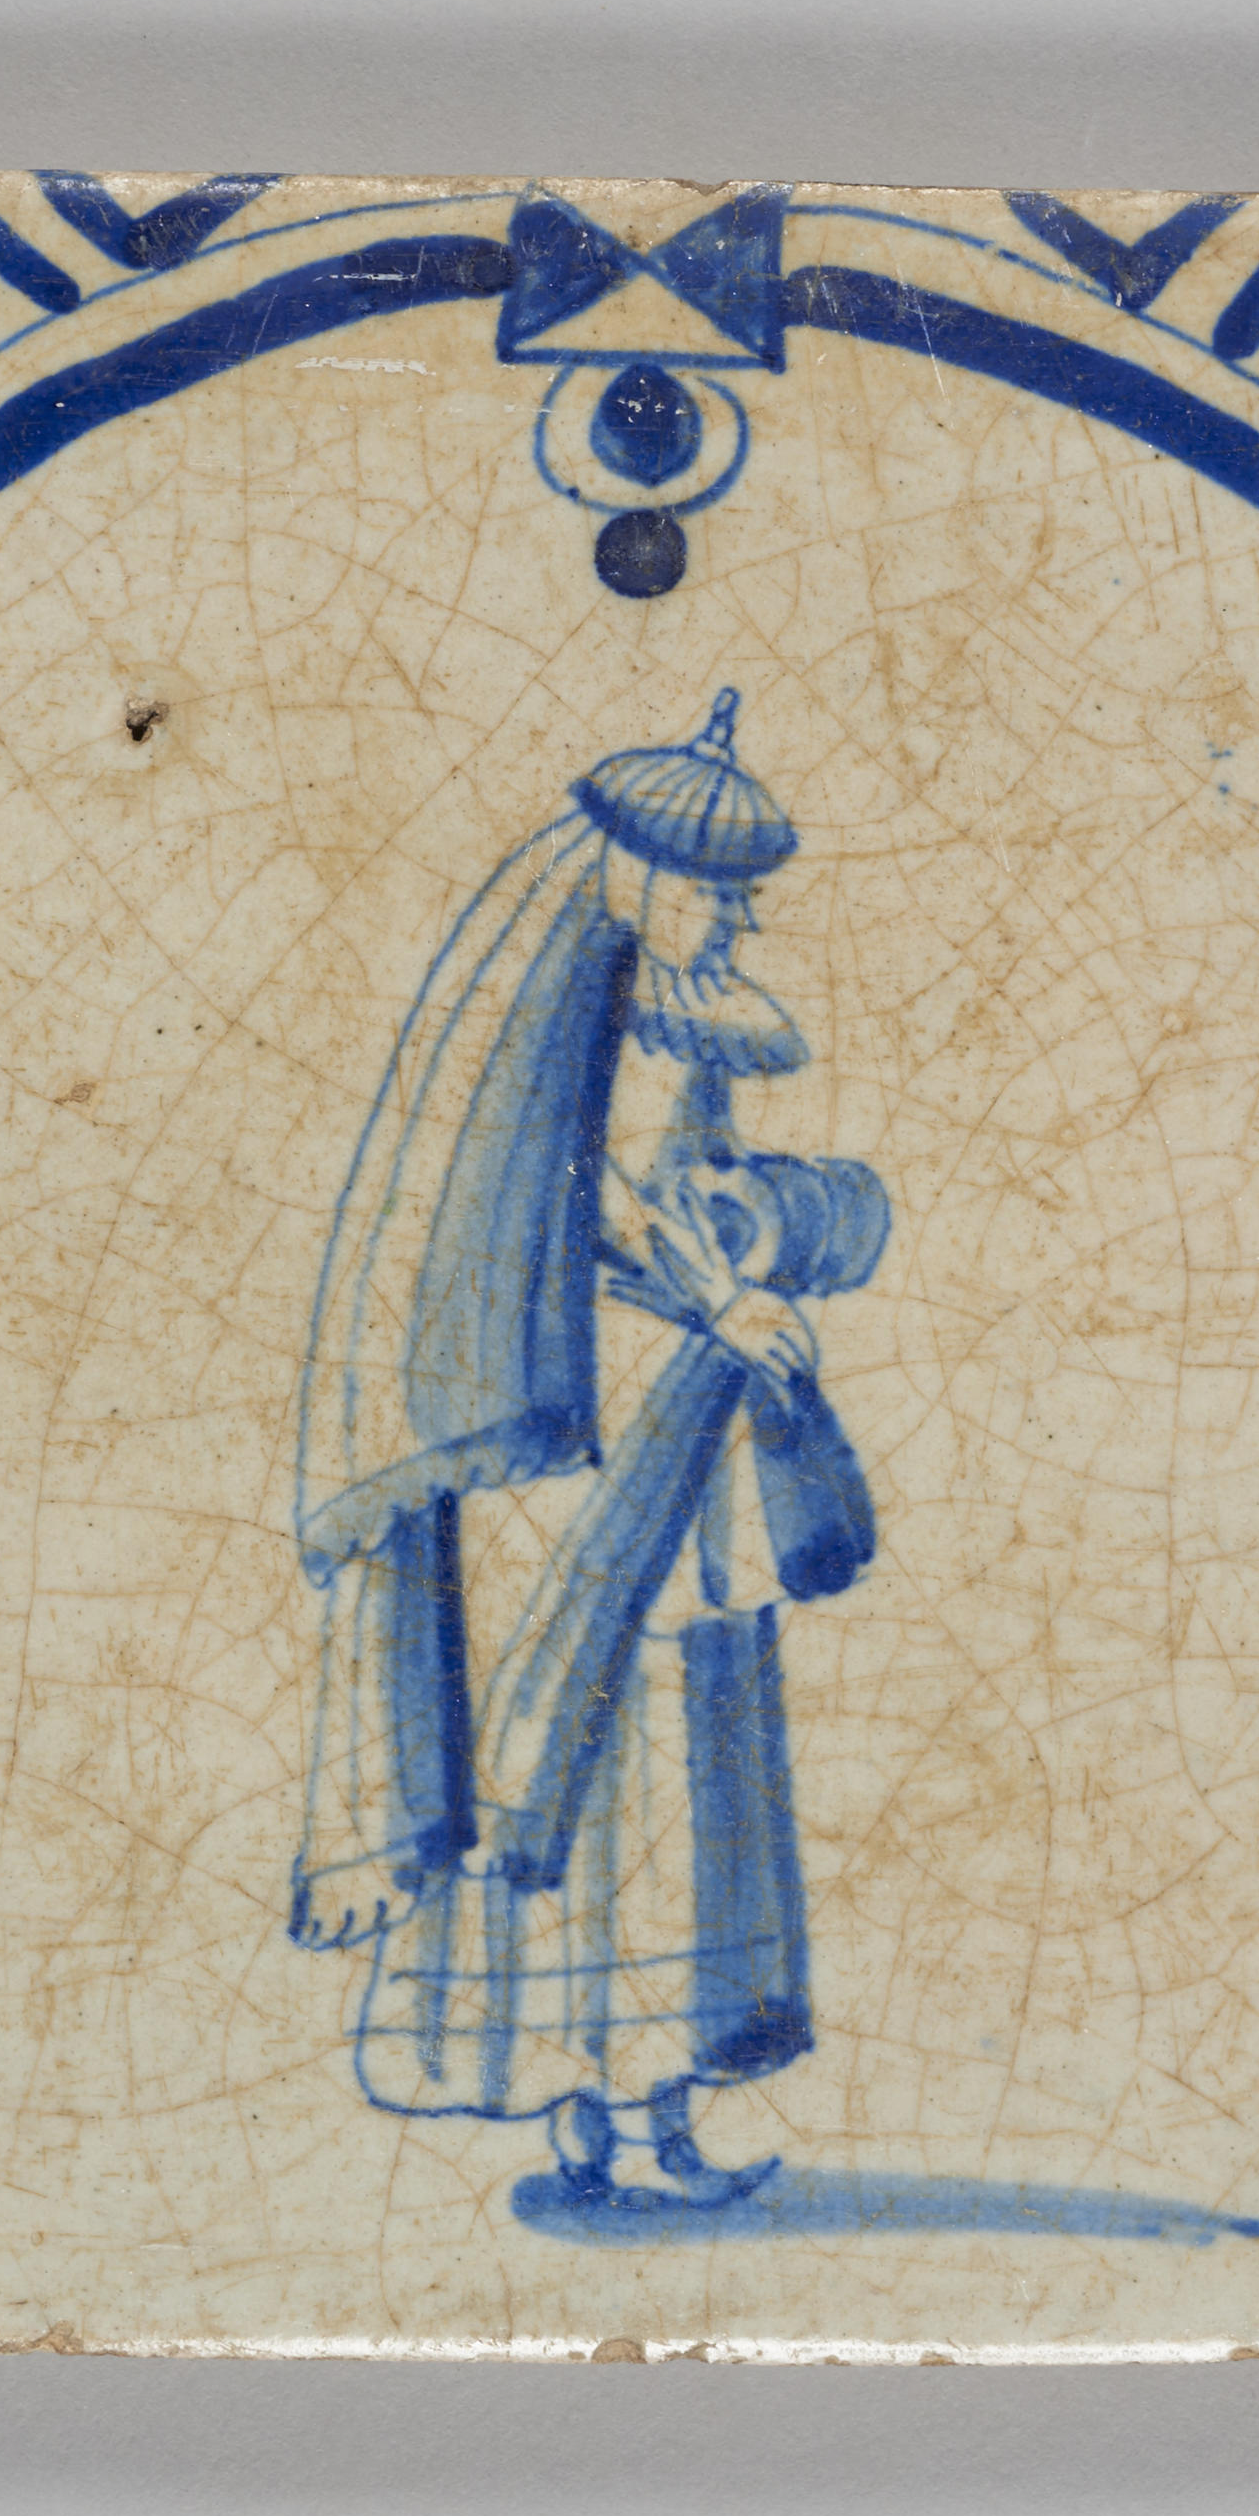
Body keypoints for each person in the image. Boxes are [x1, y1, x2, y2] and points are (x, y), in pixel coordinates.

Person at [291, 693, 889, 2201]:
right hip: (585, 1434)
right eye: (719, 889)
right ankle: (608, 2112)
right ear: (641, 875)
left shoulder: (673, 1010)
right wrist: (726, 1300)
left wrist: (767, 1235)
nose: (740, 915)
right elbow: (604, 1201)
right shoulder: (577, 1014)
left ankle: (630, 2106)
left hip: (667, 1420)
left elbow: (682, 1186)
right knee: (595, 1745)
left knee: (664, 1736)